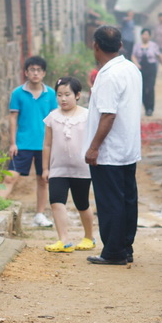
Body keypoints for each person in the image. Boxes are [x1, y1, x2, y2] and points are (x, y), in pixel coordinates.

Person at [83, 25, 142, 265]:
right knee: (127, 199)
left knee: (110, 202)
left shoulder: (108, 76)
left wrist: (94, 147)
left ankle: (114, 252)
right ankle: (125, 247)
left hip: (109, 151)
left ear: (95, 46)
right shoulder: (131, 69)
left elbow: (108, 115)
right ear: (119, 45)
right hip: (128, 147)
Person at [42, 76, 95, 253]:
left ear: (78, 95)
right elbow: (47, 144)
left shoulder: (87, 116)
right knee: (56, 201)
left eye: (67, 94)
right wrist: (45, 168)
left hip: (82, 169)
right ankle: (63, 239)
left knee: (82, 203)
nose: (63, 99)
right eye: (59, 95)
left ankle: (89, 237)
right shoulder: (52, 117)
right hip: (58, 169)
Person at [5, 56, 57, 228]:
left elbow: (55, 120)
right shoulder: (18, 93)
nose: (35, 73)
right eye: (32, 70)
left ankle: (40, 214)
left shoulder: (50, 94)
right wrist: (13, 143)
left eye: (39, 70)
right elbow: (13, 119)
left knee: (43, 180)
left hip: (45, 145)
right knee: (9, 178)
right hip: (22, 144)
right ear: (26, 72)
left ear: (44, 73)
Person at [131, 27, 162, 117]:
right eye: (143, 34)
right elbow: (133, 56)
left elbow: (159, 56)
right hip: (141, 69)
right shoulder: (137, 46)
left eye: (146, 34)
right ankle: (146, 107)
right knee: (142, 88)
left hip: (151, 68)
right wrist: (136, 64)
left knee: (150, 88)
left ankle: (151, 108)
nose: (144, 36)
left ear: (150, 36)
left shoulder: (153, 45)